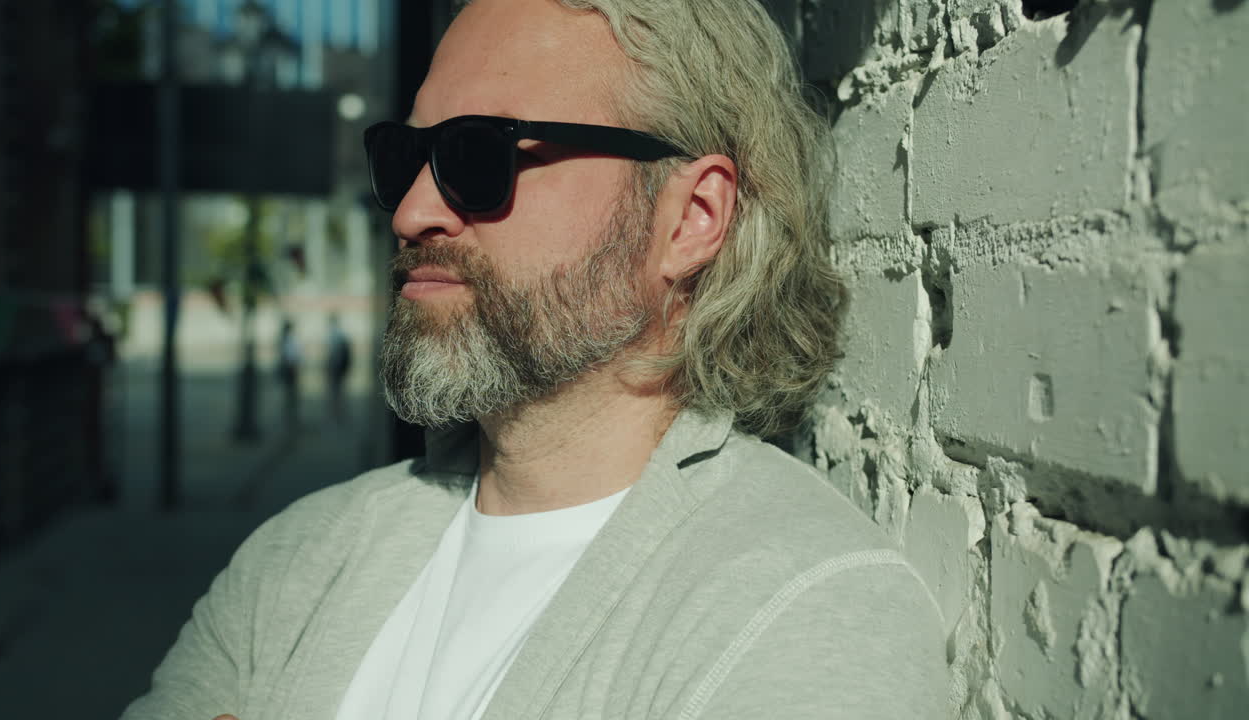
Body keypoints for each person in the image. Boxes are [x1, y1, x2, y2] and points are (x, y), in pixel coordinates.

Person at [121, 1, 949, 719]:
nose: (412, 212)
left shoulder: (802, 609)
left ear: (692, 217)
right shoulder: (298, 559)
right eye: (405, 158)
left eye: (480, 157)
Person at [324, 312, 353, 421]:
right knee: (340, 390)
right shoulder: (341, 333)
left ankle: (336, 412)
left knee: (335, 390)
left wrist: (329, 367)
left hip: (335, 367)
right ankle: (340, 411)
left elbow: (333, 354)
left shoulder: (333, 334)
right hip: (341, 367)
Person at [275, 318, 302, 429]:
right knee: (291, 396)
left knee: (290, 396)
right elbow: (292, 358)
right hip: (291, 371)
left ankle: (290, 418)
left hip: (289, 371)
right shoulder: (290, 340)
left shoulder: (284, 340)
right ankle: (291, 419)